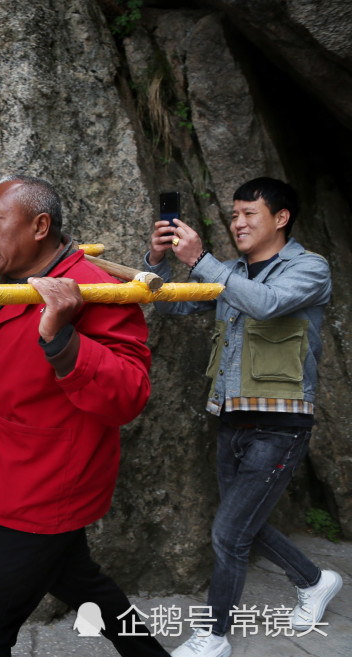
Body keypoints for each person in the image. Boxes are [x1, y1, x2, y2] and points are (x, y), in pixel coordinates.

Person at [0, 175, 169, 657]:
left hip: (49, 486)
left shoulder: (95, 290)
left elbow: (129, 395)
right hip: (10, 469)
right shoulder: (2, 281)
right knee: (89, 591)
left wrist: (64, 341)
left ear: (39, 225)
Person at [144, 177, 342, 657]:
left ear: (280, 218)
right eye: (234, 215)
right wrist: (157, 261)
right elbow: (171, 306)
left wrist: (199, 260)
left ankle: (213, 637)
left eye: (249, 214)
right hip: (231, 417)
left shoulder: (309, 267)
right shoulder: (228, 270)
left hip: (281, 422)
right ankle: (315, 581)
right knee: (239, 525)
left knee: (229, 531)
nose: (238, 223)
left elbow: (266, 304)